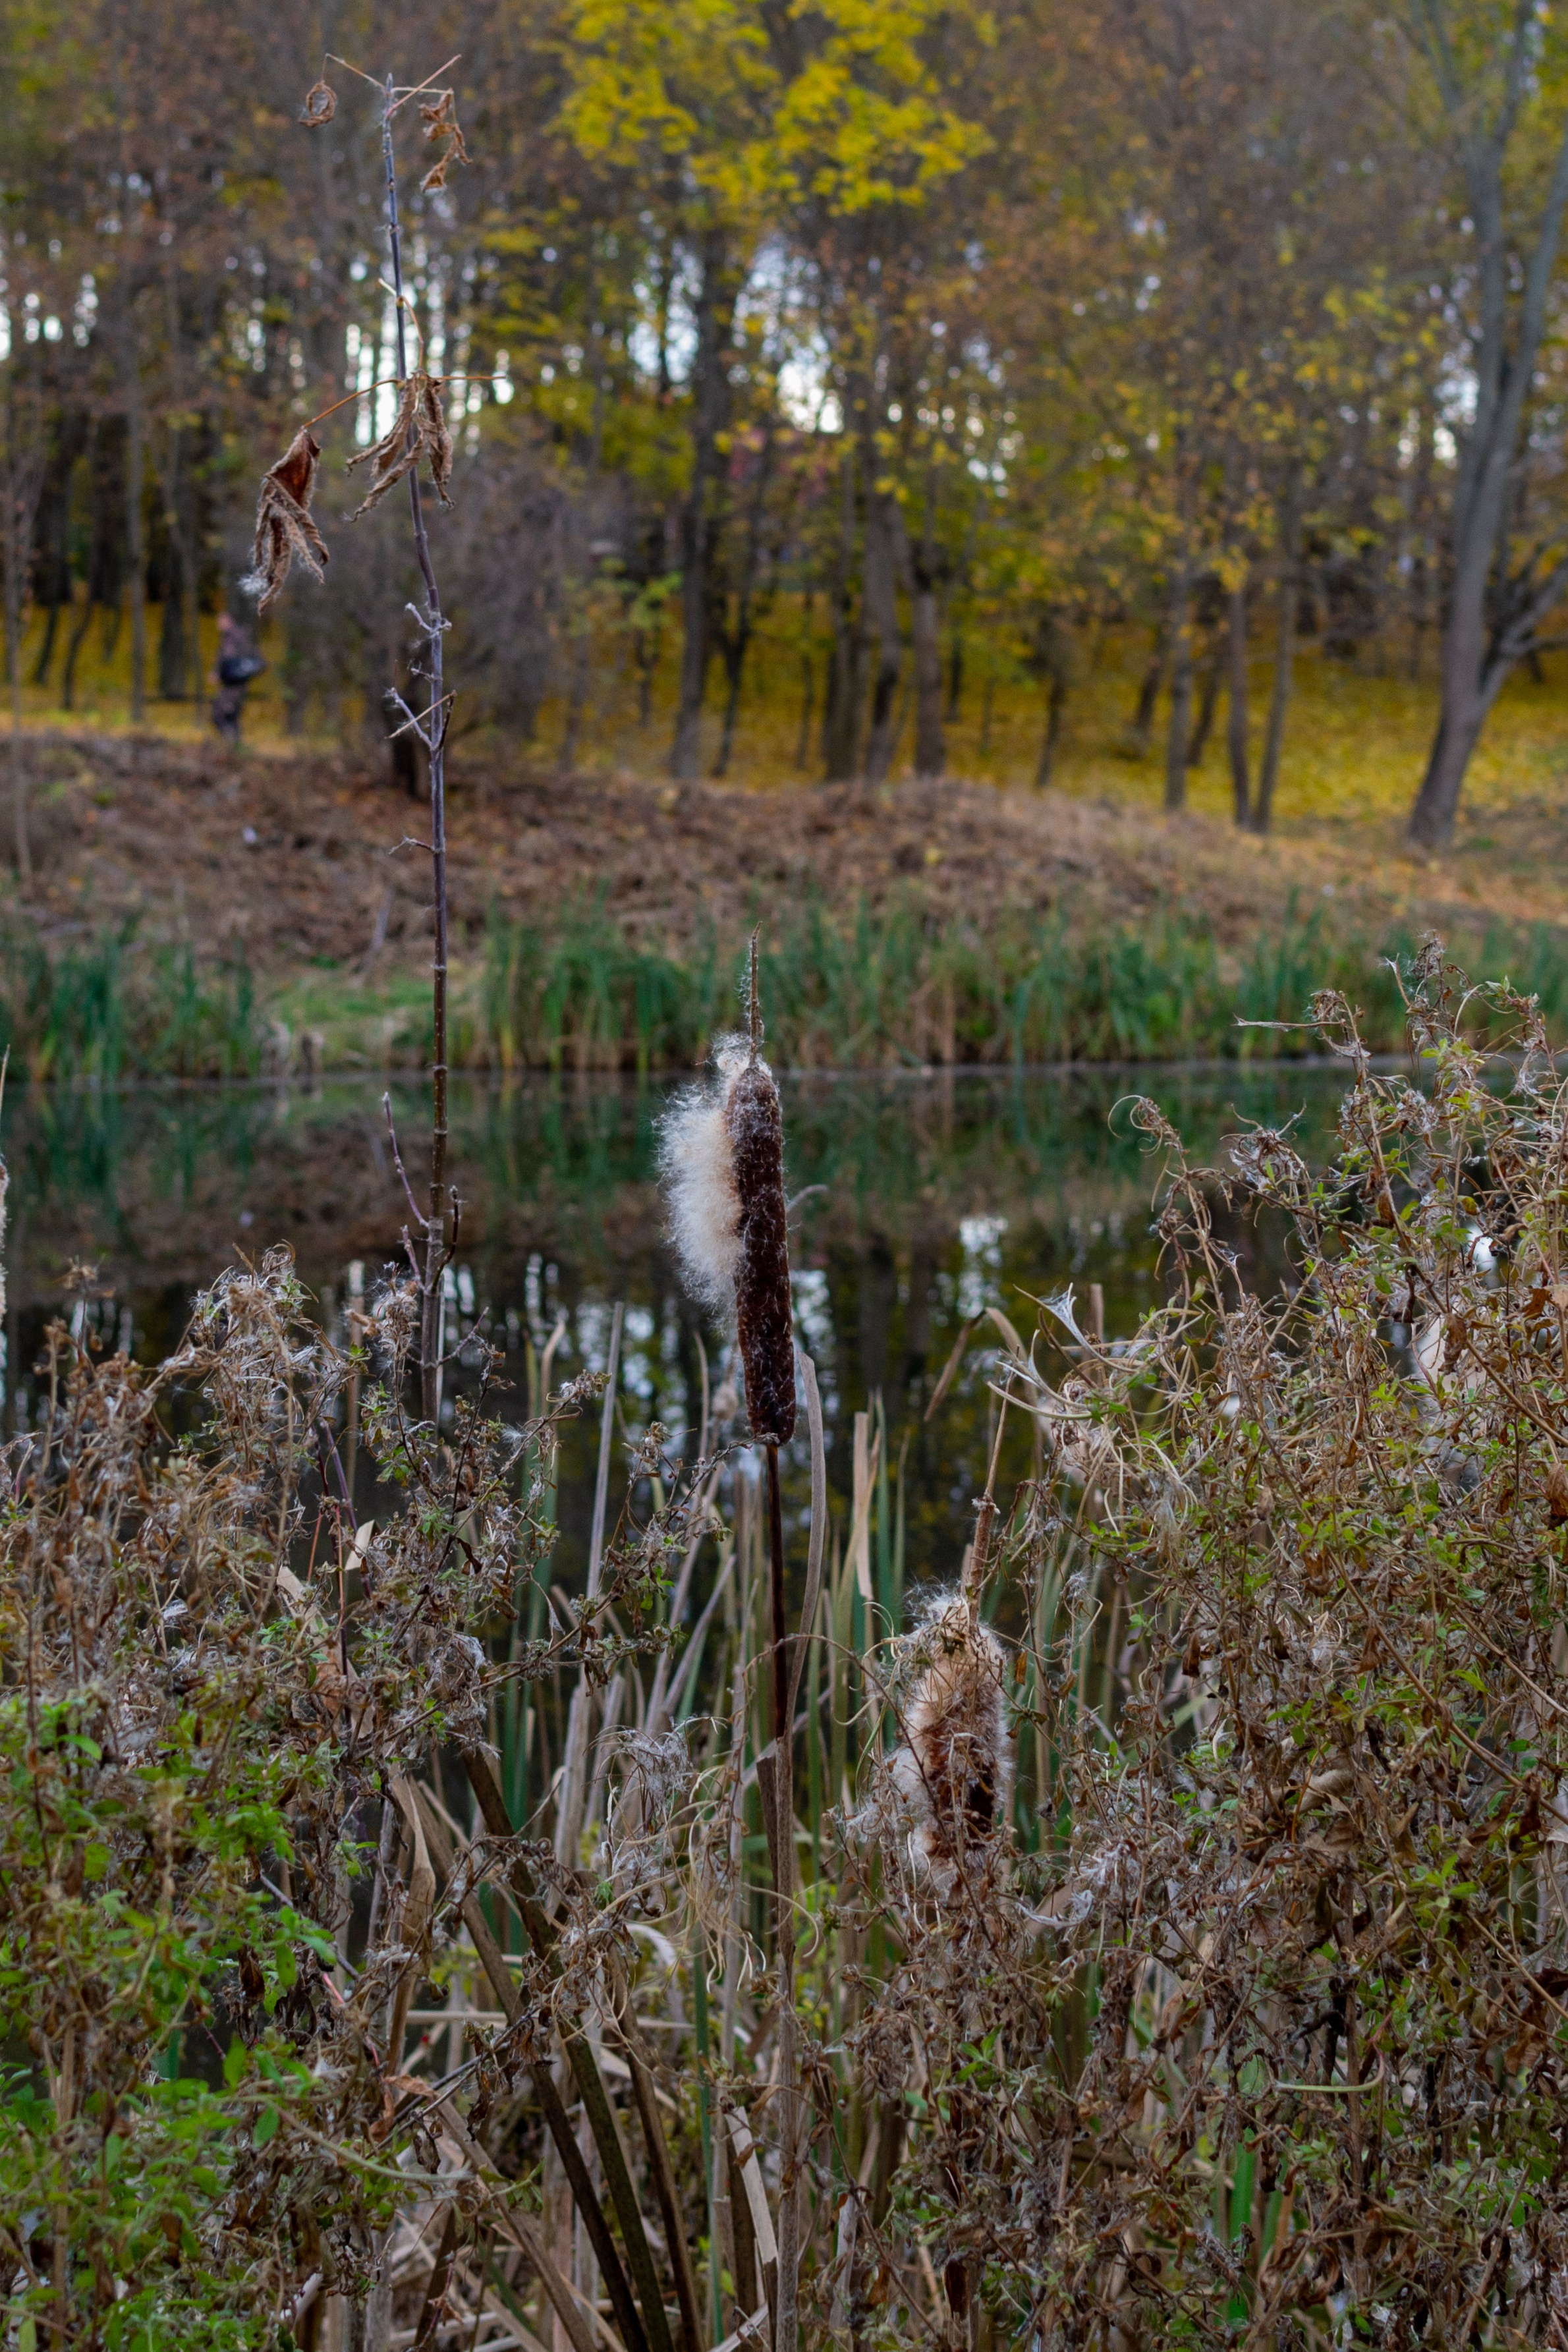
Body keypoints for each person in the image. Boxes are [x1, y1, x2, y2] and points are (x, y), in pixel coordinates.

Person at [211, 611, 266, 742]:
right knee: (229, 715)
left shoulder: (237, 636)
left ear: (228, 620)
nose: (218, 624)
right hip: (230, 683)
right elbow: (224, 659)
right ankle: (235, 746)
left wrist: (235, 671)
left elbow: (241, 658)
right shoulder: (228, 637)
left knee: (222, 713)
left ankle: (233, 744)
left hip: (236, 685)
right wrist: (218, 673)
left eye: (221, 620)